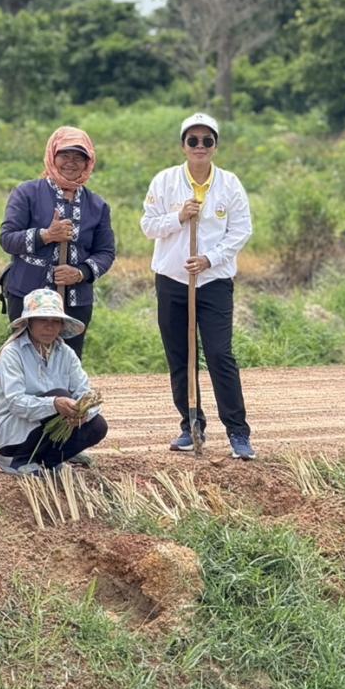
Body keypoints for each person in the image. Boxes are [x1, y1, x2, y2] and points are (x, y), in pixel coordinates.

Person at [141, 112, 255, 460]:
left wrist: (209, 258)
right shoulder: (164, 182)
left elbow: (241, 230)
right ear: (183, 145)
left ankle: (238, 432)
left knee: (220, 354)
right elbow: (148, 225)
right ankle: (191, 425)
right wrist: (179, 217)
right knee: (181, 355)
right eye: (194, 141)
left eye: (208, 141)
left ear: (216, 146)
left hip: (214, 281)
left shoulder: (230, 184)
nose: (201, 146)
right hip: (173, 280)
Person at [0, 126, 116, 359]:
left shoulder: (97, 205)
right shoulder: (27, 193)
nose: (71, 162)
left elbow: (105, 252)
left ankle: (64, 397)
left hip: (75, 301)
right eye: (65, 155)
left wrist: (80, 273)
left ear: (88, 162)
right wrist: (47, 235)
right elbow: (7, 239)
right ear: (52, 156)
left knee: (68, 363)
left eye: (79, 157)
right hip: (28, 296)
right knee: (26, 361)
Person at [0, 288, 108, 475]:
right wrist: (54, 404)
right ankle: (16, 460)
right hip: (14, 432)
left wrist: (84, 412)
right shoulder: (13, 353)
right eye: (43, 320)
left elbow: (85, 391)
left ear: (61, 325)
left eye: (55, 321)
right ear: (30, 322)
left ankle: (50, 460)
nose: (49, 327)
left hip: (46, 426)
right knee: (60, 396)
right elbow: (16, 403)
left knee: (97, 425)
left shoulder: (66, 353)